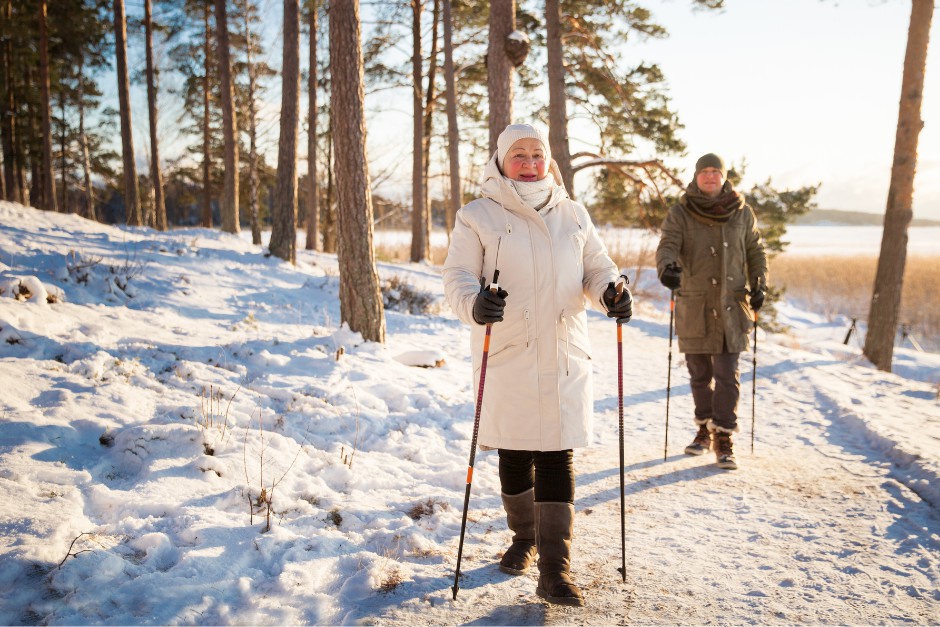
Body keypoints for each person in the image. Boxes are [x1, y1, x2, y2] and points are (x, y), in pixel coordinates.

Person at [443, 123, 632, 607]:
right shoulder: (477, 216)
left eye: (537, 154)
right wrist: (475, 303)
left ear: (549, 161)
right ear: (502, 161)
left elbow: (597, 267)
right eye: (519, 154)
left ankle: (555, 569)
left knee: (557, 453)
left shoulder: (573, 214)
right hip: (508, 350)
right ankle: (524, 537)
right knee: (514, 452)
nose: (529, 162)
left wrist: (611, 292)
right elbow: (458, 276)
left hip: (565, 349)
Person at [655, 153, 767, 470]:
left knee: (727, 375)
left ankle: (724, 436)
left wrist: (760, 284)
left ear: (723, 176)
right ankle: (703, 429)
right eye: (704, 172)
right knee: (700, 375)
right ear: (696, 177)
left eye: (715, 172)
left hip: (731, 306)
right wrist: (667, 268)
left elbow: (756, 250)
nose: (709, 177)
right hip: (696, 305)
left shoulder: (742, 212)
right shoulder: (680, 212)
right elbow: (668, 245)